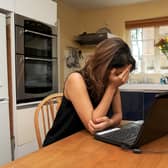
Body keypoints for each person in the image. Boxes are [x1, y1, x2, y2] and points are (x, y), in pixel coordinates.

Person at [43, 37, 136, 146]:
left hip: (84, 143)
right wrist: (111, 87)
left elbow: (118, 115)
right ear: (104, 67)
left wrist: (109, 123)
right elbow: (93, 125)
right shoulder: (76, 79)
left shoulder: (110, 81)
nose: (121, 79)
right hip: (59, 145)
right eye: (118, 74)